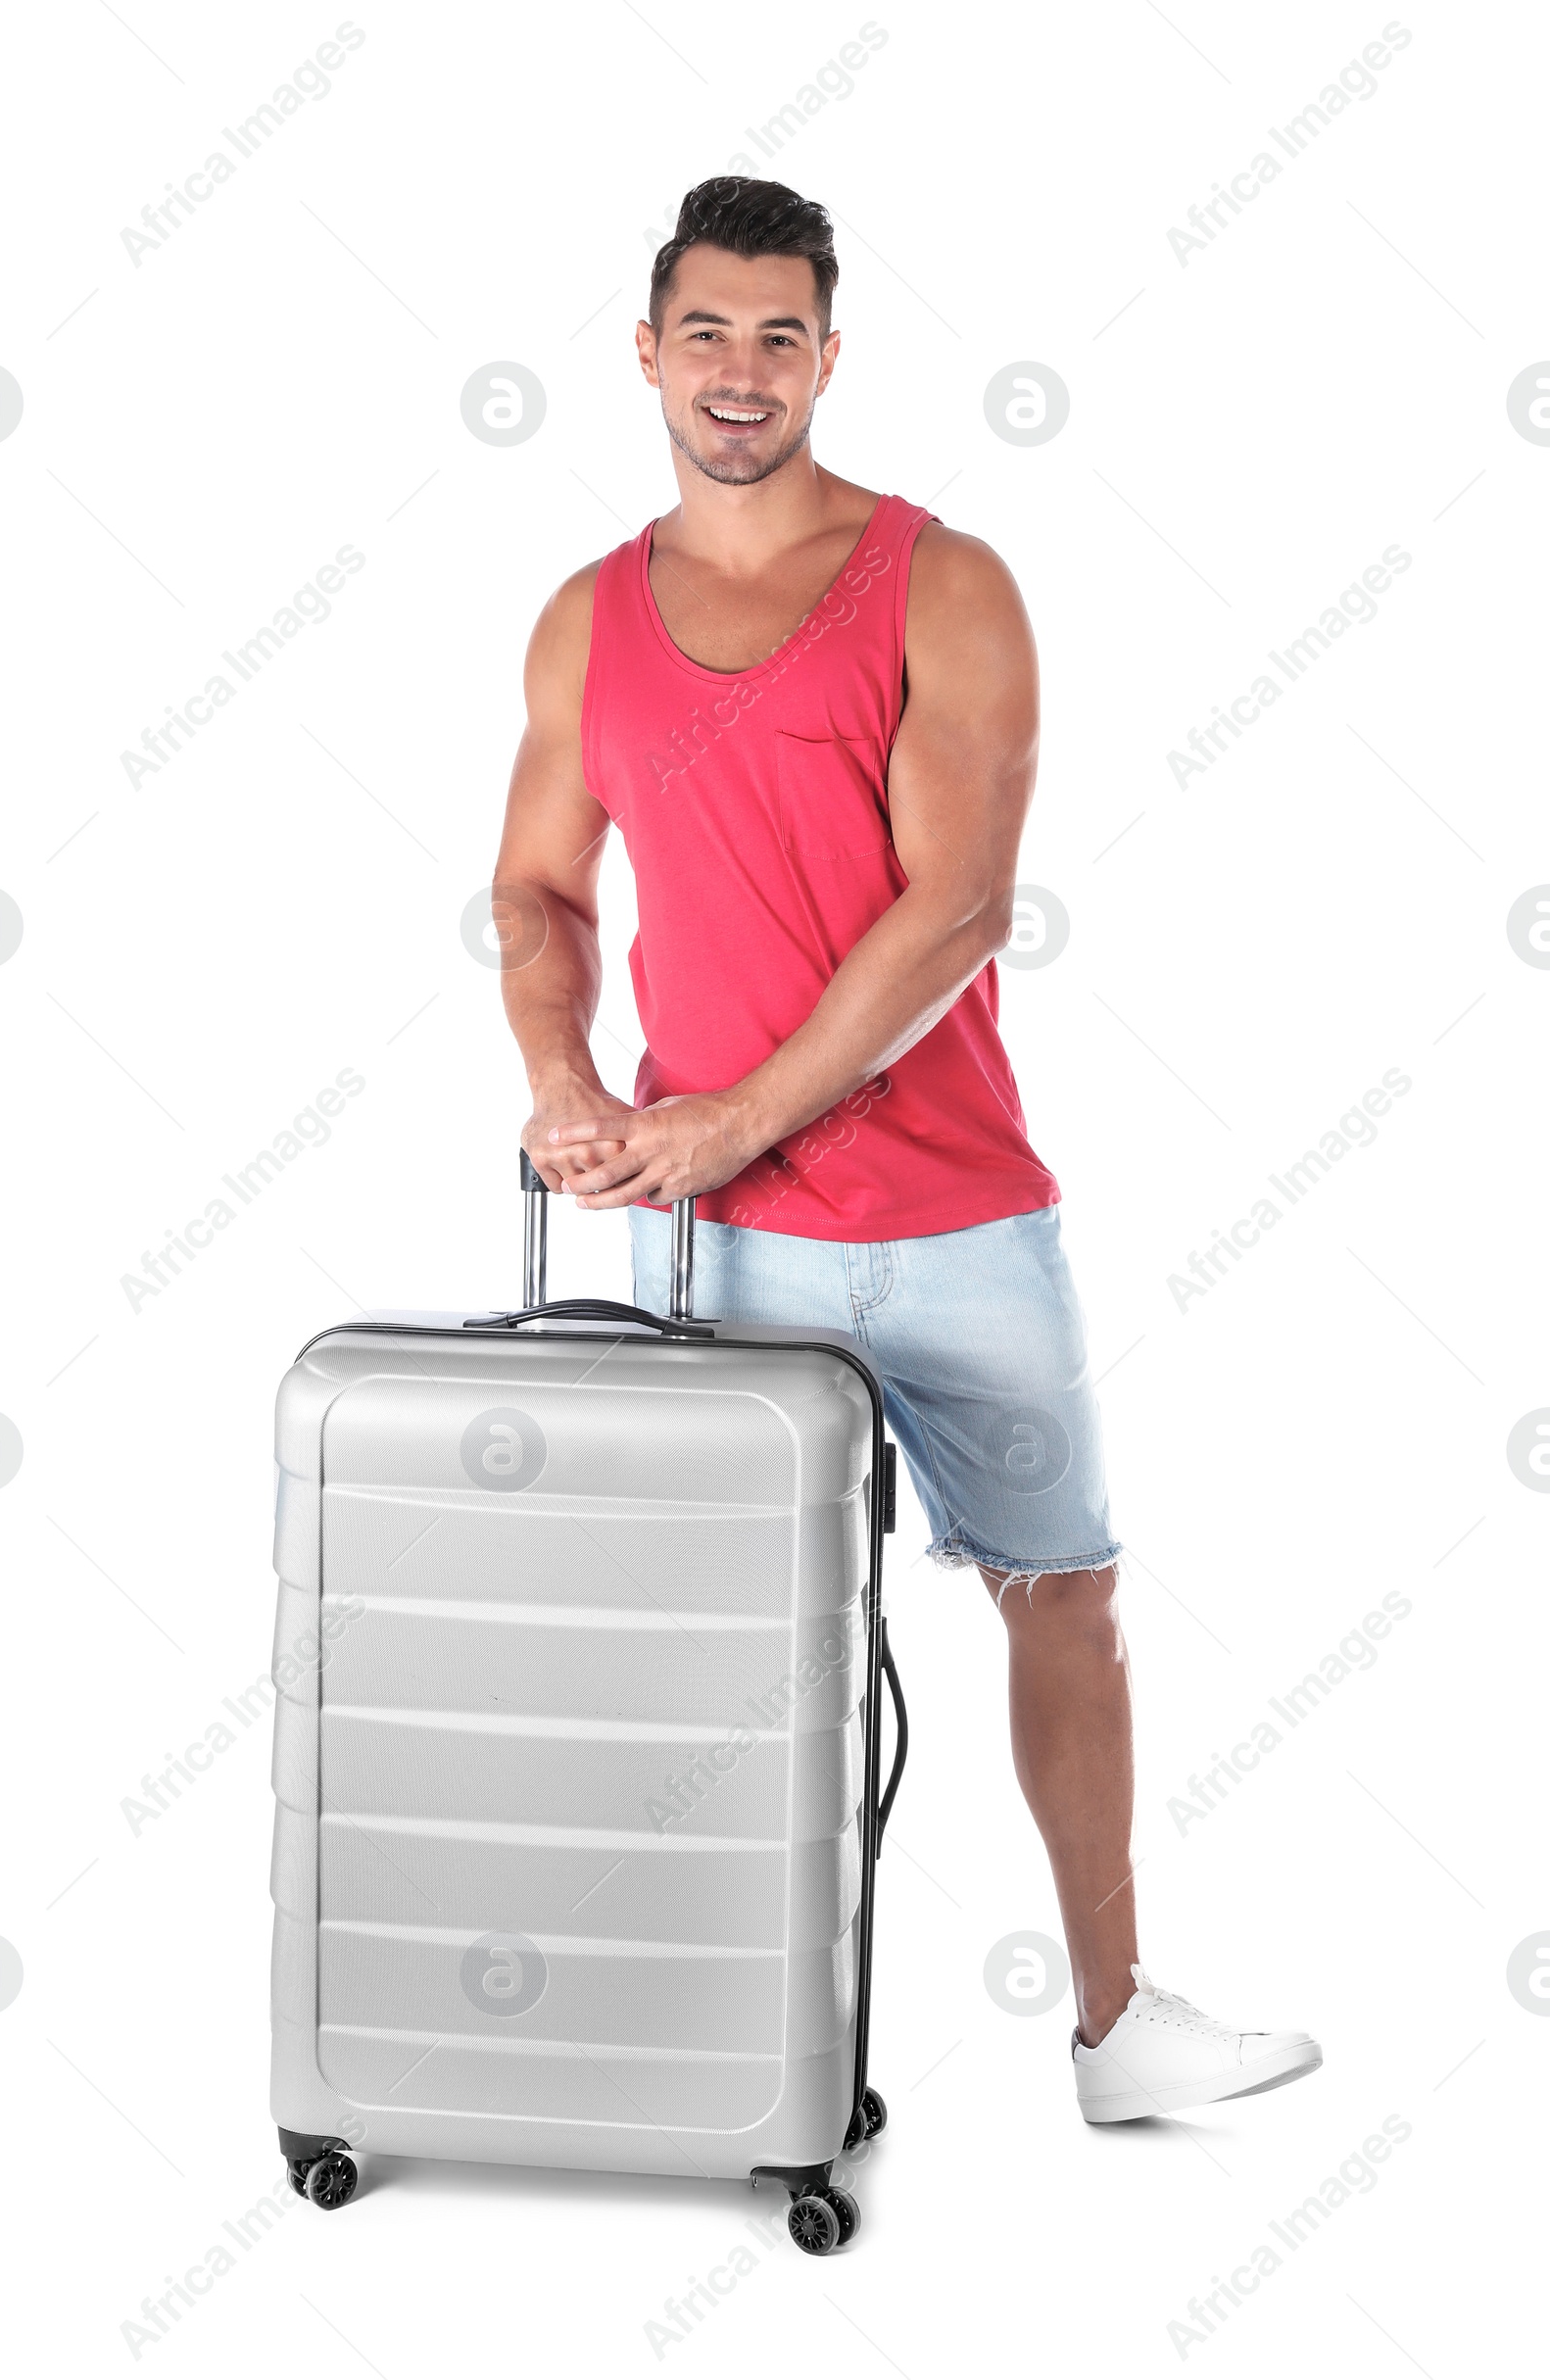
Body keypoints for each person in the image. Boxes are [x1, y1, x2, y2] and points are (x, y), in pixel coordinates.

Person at [493, 174, 1320, 2122]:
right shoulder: (579, 624)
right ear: (645, 349)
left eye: (779, 335)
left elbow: (953, 909)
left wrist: (723, 1118)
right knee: (725, 1647)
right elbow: (536, 890)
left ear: (826, 359)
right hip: (717, 1249)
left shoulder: (941, 582)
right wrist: (562, 1083)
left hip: (952, 1216)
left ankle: (1115, 2032)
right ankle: (718, 2049)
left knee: (1062, 1595)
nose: (739, 372)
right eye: (705, 330)